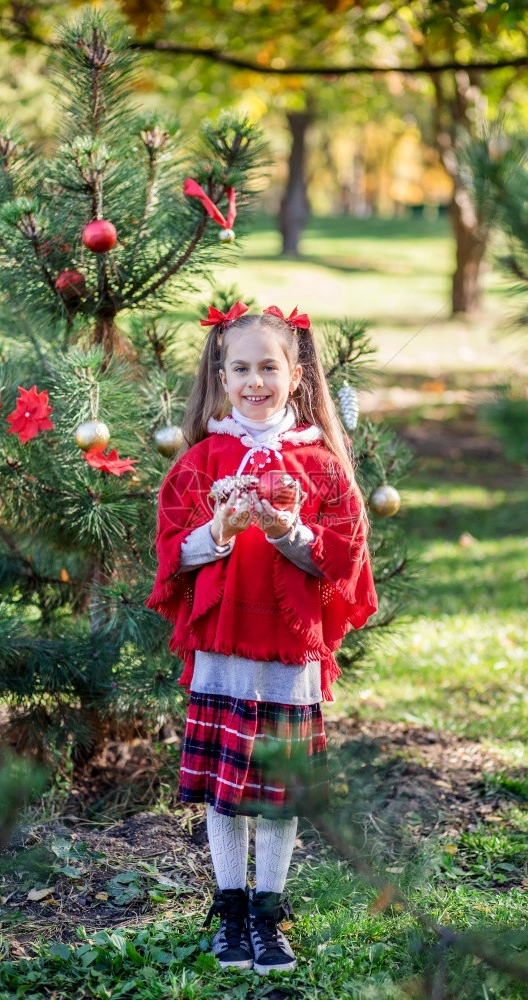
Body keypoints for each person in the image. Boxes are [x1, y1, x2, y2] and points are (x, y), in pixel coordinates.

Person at [145, 302, 378, 975]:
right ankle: (232, 908)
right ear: (221, 373)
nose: (254, 381)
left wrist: (283, 529)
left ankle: (270, 913)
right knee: (226, 784)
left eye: (268, 367)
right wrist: (218, 532)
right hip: (223, 645)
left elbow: (341, 559)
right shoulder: (200, 462)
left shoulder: (322, 465)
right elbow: (171, 557)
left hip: (287, 648)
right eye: (240, 367)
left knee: (276, 787)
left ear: (297, 372)